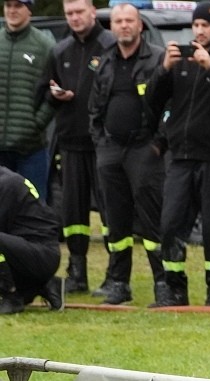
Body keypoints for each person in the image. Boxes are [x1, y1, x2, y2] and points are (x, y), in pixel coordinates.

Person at [147, 1, 210, 307]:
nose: (199, 30)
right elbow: (152, 100)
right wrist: (164, 68)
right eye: (196, 25)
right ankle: (174, 288)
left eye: (206, 25)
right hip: (180, 156)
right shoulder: (179, 61)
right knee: (170, 224)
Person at [88, 2, 168, 306]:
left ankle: (163, 282)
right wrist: (100, 143)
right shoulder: (105, 62)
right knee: (115, 221)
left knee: (152, 219)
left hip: (144, 149)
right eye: (118, 21)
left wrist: (158, 144)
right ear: (112, 27)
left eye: (129, 21)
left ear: (140, 26)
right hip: (111, 150)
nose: (123, 25)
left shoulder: (157, 59)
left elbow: (168, 106)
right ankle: (118, 283)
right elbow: (94, 107)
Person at [47, 0, 114, 297]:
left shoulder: (110, 45)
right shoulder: (60, 51)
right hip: (71, 142)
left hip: (104, 143)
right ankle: (77, 271)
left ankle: (116, 272)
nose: (74, 18)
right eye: (69, 14)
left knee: (111, 210)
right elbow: (43, 92)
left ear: (92, 11)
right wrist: (56, 96)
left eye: (79, 12)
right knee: (73, 213)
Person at [0, 0, 54, 199]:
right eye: (8, 6)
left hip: (31, 149)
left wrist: (36, 124)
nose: (12, 11)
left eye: (18, 6)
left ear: (29, 10)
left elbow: (55, 91)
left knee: (33, 206)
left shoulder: (44, 46)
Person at [0, 166, 62, 314]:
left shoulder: (7, 184)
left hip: (41, 253)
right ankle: (39, 285)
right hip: (25, 251)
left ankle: (11, 295)